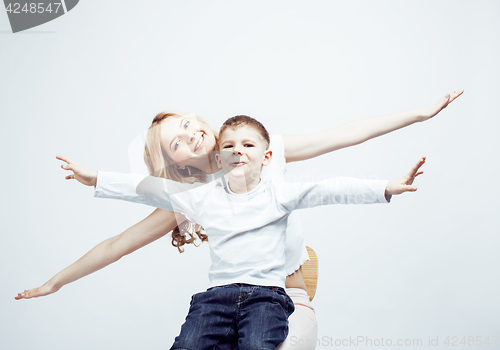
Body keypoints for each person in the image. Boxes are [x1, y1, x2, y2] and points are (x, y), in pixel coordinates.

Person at [16, 91, 463, 350]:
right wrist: (56, 282)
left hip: (287, 286)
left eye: (188, 121)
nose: (191, 131)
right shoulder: (187, 198)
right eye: (177, 140)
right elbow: (115, 244)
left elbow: (345, 136)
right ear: (174, 162)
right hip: (229, 294)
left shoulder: (257, 146)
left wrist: (418, 115)